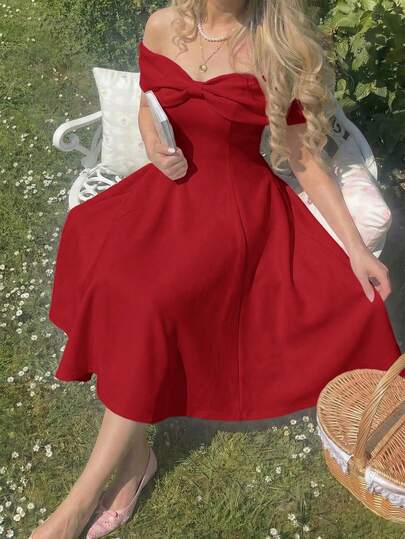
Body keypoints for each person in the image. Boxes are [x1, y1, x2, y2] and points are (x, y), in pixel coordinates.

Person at [30, 1, 401, 537]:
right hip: (167, 192)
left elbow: (302, 159)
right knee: (105, 264)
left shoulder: (277, 48)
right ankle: (136, 460)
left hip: (236, 210)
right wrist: (154, 144)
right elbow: (149, 103)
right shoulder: (164, 25)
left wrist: (356, 248)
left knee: (150, 303)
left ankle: (77, 504)